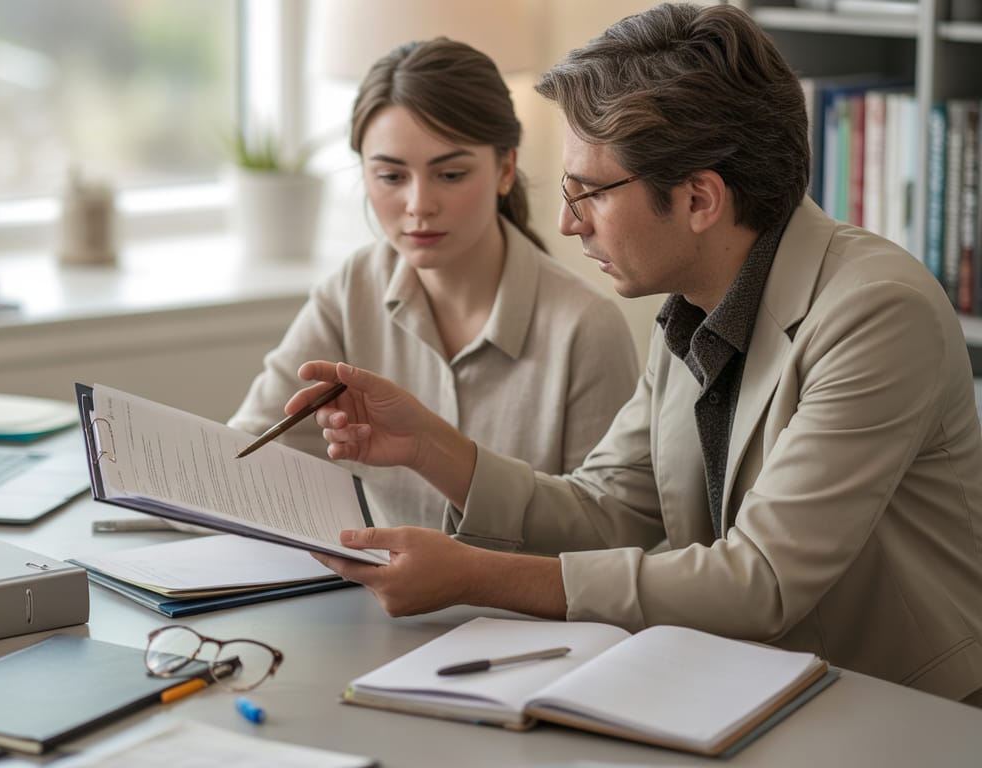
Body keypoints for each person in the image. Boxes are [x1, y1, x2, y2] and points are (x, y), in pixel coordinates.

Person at [293, 3, 982, 705]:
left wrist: (474, 573)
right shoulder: (694, 302)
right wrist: (428, 446)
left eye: (587, 190)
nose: (565, 221)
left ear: (699, 199)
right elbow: (608, 508)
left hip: (901, 713)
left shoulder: (877, 312)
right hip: (750, 693)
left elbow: (763, 578)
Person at [228, 37, 639, 529]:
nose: (419, 205)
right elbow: (244, 450)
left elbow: (604, 536)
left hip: (525, 609)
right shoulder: (351, 290)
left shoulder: (586, 329)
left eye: (449, 174)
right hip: (367, 603)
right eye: (391, 177)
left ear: (505, 168)